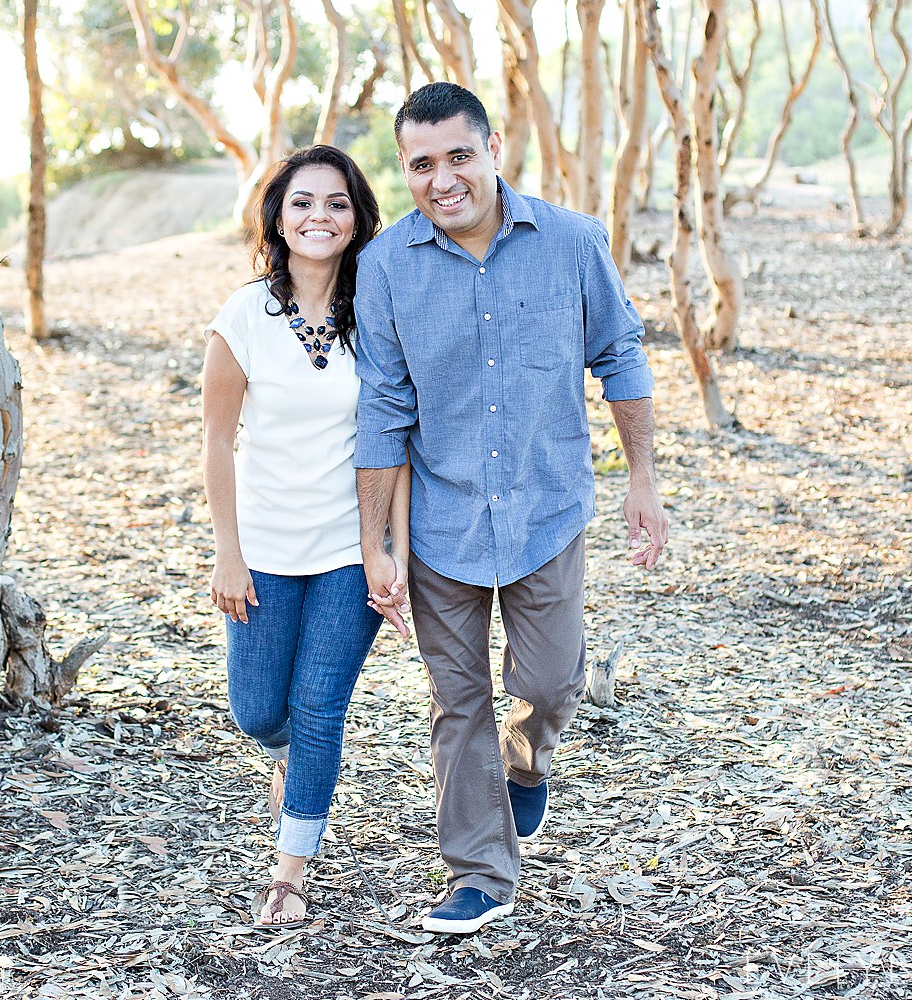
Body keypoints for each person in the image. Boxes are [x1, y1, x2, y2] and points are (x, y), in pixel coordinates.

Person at [353, 83, 670, 935]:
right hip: (440, 525)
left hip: (546, 510)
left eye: (459, 155)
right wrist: (376, 543)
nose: (442, 178)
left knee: (549, 682)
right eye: (421, 164)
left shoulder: (570, 242)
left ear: (493, 149)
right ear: (406, 171)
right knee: (457, 704)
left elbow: (620, 353)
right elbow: (382, 408)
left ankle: (526, 767)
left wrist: (643, 480)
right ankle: (479, 872)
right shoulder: (384, 267)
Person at [202, 145, 410, 930]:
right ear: (278, 218)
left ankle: (291, 869)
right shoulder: (242, 317)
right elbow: (217, 442)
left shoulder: (379, 318)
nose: (319, 217)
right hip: (261, 546)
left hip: (345, 550)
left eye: (336, 203)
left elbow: (396, 442)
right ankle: (289, 759)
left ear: (357, 220)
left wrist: (387, 547)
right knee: (259, 713)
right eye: (302, 203)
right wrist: (227, 550)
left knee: (320, 706)